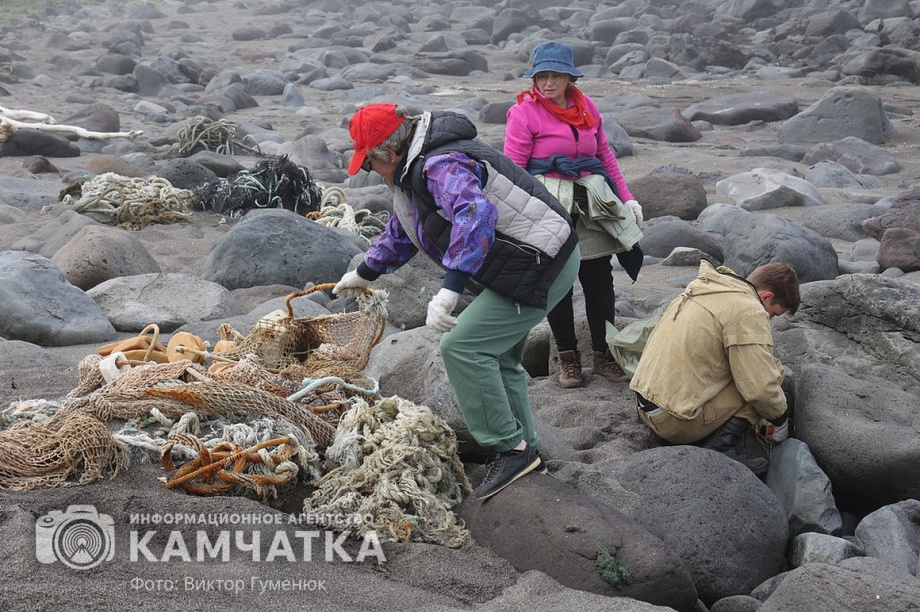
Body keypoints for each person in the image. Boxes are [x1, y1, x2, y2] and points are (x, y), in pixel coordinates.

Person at [332, 103, 581, 501]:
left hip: (540, 263)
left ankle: (509, 448)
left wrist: (450, 288)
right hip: (529, 258)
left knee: (462, 347)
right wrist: (366, 272)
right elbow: (406, 227)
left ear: (390, 153)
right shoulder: (413, 170)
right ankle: (526, 447)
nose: (370, 172)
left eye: (368, 164)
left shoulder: (440, 164)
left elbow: (475, 214)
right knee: (500, 357)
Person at [503, 41, 644, 389]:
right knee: (558, 283)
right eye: (542, 76)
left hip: (590, 200)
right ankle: (568, 360)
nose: (548, 83)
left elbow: (605, 156)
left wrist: (627, 198)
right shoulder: (523, 113)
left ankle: (604, 357)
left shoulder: (586, 108)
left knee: (599, 281)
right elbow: (514, 169)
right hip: (547, 203)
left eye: (556, 75)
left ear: (570, 78)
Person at [629, 259, 801, 474]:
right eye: (774, 314)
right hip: (674, 423)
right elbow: (760, 387)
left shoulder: (704, 289)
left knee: (746, 368)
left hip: (644, 403)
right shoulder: (749, 310)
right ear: (766, 296)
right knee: (770, 375)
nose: (770, 319)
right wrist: (781, 420)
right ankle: (720, 446)